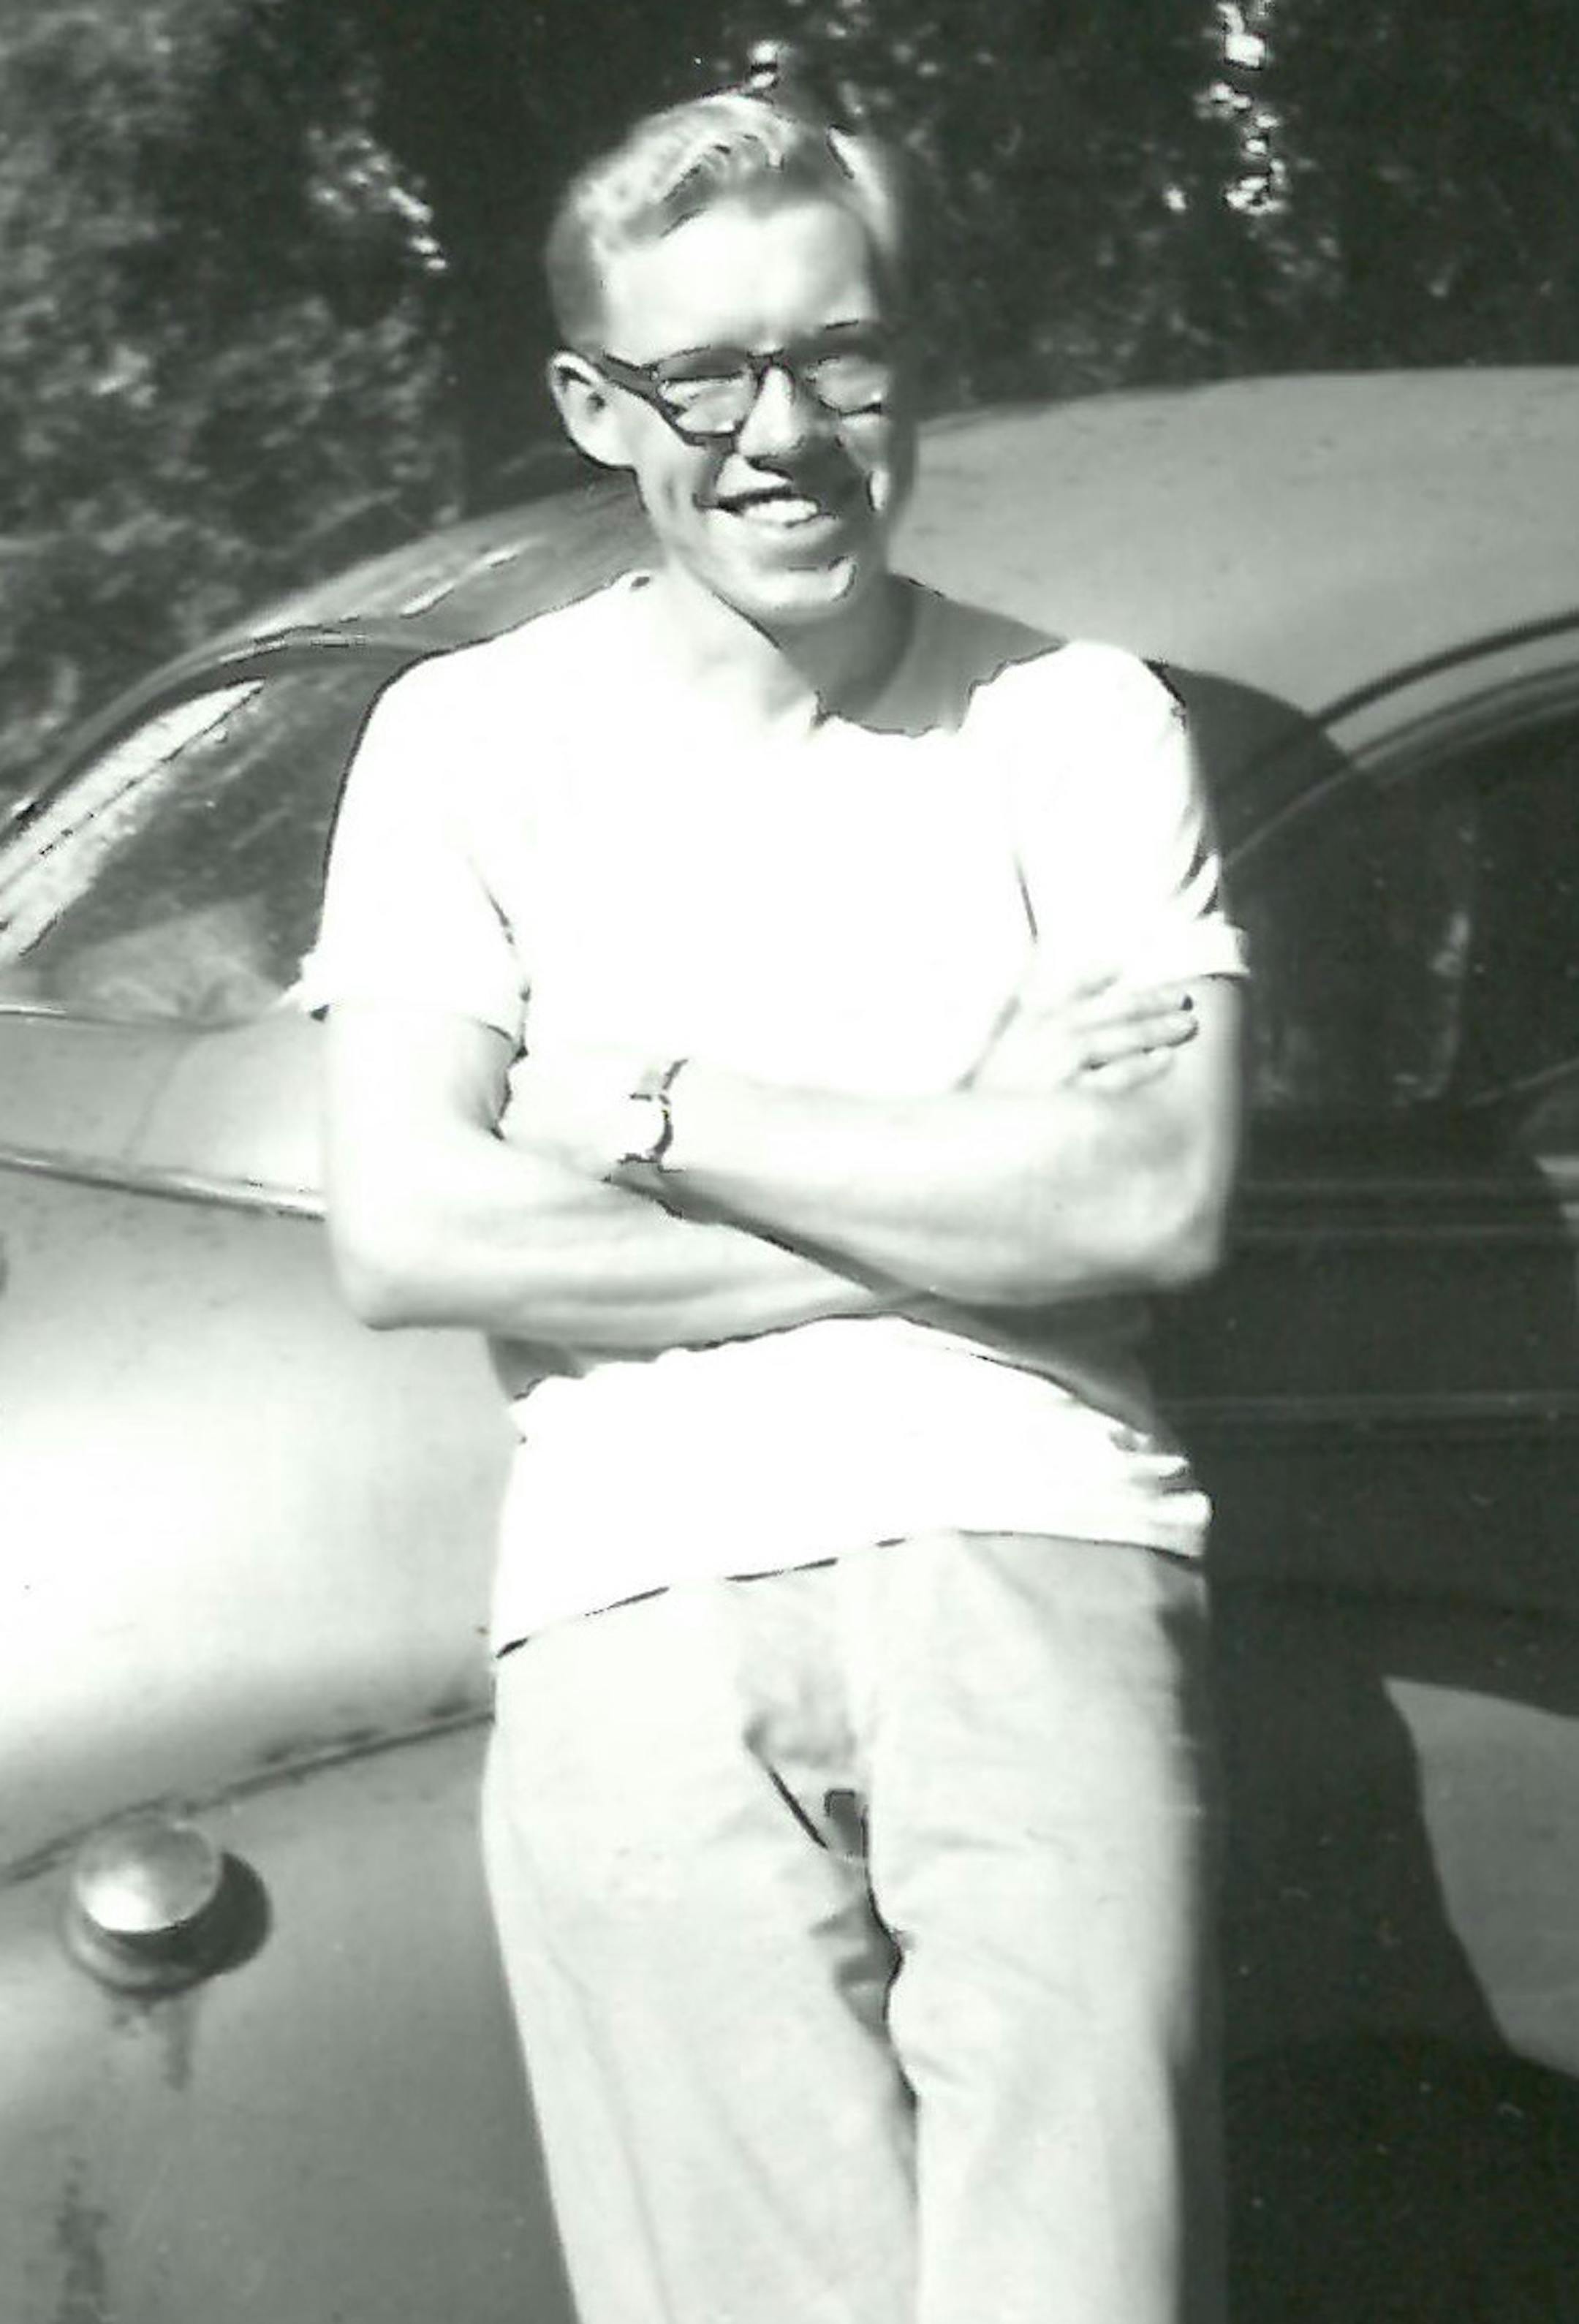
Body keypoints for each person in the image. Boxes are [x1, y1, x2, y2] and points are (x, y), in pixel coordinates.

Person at [306, 53, 1247, 2324]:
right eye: (705, 374)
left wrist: (647, 1103)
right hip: (639, 1602)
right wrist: (962, 1159)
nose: (784, 434)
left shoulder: (1078, 723)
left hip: (1039, 1550)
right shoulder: (468, 744)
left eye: (839, 353)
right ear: (592, 405)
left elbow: (1149, 1211)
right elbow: (412, 1231)